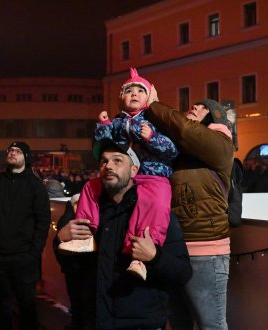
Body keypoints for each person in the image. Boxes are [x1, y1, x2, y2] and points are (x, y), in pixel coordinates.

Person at [56, 138, 192, 329]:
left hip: (140, 324)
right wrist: (59, 240)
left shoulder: (157, 213)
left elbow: (183, 272)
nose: (109, 166)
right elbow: (71, 267)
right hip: (94, 321)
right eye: (104, 161)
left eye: (118, 160)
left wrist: (154, 257)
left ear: (134, 171)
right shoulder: (84, 211)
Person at [59, 67, 178, 281]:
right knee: (90, 187)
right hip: (125, 177)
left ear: (150, 98)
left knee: (156, 203)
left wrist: (152, 138)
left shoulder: (156, 121)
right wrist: (103, 126)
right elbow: (102, 148)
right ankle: (85, 236)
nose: (134, 94)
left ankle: (139, 255)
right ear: (121, 98)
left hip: (152, 175)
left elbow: (171, 150)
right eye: (129, 91)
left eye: (140, 91)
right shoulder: (116, 122)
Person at [146, 92, 234, 329]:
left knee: (211, 324)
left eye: (201, 107)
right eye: (192, 105)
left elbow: (185, 130)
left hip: (206, 249)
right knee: (178, 322)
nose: (193, 107)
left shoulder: (221, 143)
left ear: (215, 118)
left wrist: (153, 103)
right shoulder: (178, 150)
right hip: (174, 247)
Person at [0, 141, 51, 330]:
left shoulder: (35, 186)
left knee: (27, 306)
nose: (12, 153)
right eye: (10, 150)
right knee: (1, 307)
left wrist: (34, 252)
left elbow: (43, 220)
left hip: (24, 257)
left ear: (26, 157)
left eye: (18, 151)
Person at [52, 193, 96, 330]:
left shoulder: (90, 218)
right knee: (76, 302)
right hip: (73, 270)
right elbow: (58, 245)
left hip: (88, 270)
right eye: (75, 204)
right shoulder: (66, 220)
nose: (78, 207)